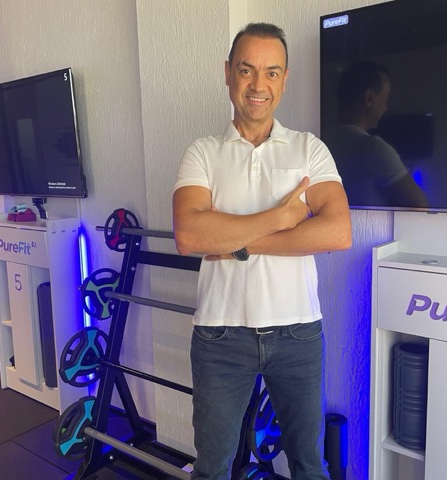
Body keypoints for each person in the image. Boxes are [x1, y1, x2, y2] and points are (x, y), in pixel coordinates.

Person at [172, 22, 352, 480]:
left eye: (271, 72)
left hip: (298, 333)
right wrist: (281, 217)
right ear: (228, 73)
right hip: (219, 335)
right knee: (212, 468)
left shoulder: (309, 149)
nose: (258, 84)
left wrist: (236, 242)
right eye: (247, 70)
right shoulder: (202, 153)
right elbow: (190, 235)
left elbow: (337, 233)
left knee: (309, 466)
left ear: (284, 79)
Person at [324, 60, 429, 208]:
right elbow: (421, 207)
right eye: (385, 99)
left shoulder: (318, 142)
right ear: (369, 98)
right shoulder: (372, 148)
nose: (385, 108)